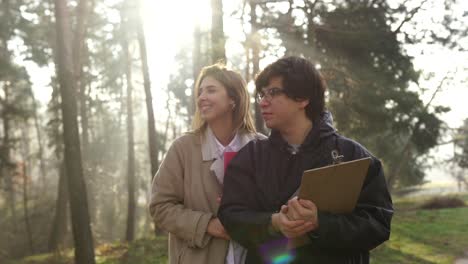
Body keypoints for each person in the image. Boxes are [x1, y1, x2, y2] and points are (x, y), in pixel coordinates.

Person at [218, 56, 393, 263]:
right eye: (262, 94)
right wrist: (273, 222)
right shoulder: (251, 157)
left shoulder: (353, 156)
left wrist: (320, 222)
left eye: (273, 93)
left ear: (303, 98)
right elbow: (231, 215)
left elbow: (378, 224)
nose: (263, 102)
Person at [149, 63, 265, 264]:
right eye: (200, 91)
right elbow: (160, 206)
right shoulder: (183, 148)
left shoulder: (262, 147)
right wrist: (207, 225)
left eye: (211, 90)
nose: (201, 97)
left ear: (233, 99)